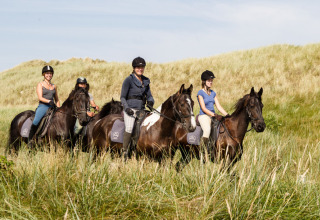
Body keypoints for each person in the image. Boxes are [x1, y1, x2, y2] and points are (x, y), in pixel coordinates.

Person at [120, 57, 154, 160]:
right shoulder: (128, 80)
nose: (140, 69)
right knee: (130, 128)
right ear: (134, 68)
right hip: (130, 109)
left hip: (142, 110)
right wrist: (126, 108)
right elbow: (122, 97)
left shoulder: (145, 81)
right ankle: (124, 151)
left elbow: (149, 96)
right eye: (138, 67)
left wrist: (151, 102)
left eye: (142, 67)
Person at [197, 70, 229, 152]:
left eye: (211, 81)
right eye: (209, 81)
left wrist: (227, 115)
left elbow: (219, 106)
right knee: (207, 130)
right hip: (204, 116)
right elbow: (203, 108)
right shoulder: (200, 93)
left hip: (213, 116)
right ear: (204, 81)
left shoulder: (213, 93)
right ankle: (202, 150)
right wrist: (214, 115)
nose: (211, 82)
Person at [28, 65, 60, 142]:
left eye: (50, 73)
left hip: (53, 106)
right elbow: (40, 98)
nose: (49, 75)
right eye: (47, 73)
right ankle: (30, 139)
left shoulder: (54, 86)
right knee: (36, 121)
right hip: (43, 106)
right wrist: (49, 101)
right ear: (43, 74)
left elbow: (57, 99)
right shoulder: (40, 84)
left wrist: (59, 108)